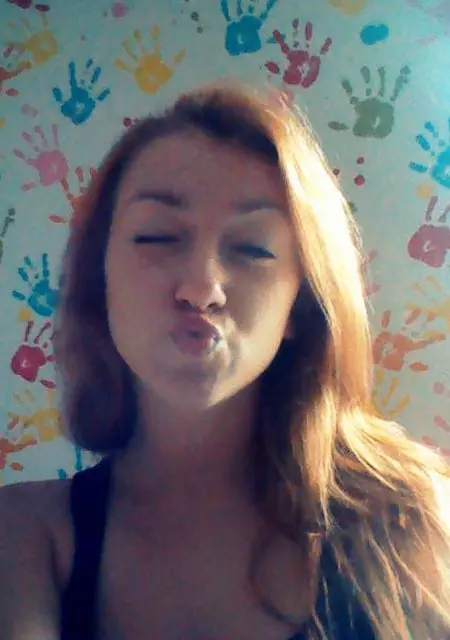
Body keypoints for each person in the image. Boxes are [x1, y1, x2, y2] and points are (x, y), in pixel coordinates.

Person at [1, 80, 449, 640]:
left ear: (300, 305)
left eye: (253, 248)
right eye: (157, 237)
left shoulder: (409, 519)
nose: (201, 288)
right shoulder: (24, 534)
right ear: (101, 278)